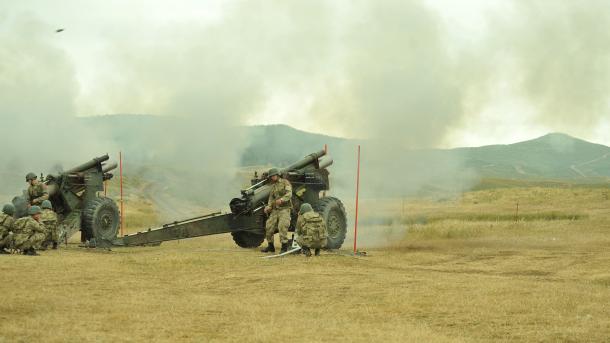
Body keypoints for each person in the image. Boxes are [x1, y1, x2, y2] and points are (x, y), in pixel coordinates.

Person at [261, 168, 293, 253]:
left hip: (285, 209)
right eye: (271, 176)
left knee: (282, 227)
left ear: (277, 175)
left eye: (273, 176)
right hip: (275, 210)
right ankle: (271, 246)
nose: (272, 178)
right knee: (269, 227)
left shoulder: (285, 182)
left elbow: (289, 193)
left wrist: (282, 199)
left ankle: (284, 247)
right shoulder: (273, 186)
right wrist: (268, 207)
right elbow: (271, 198)